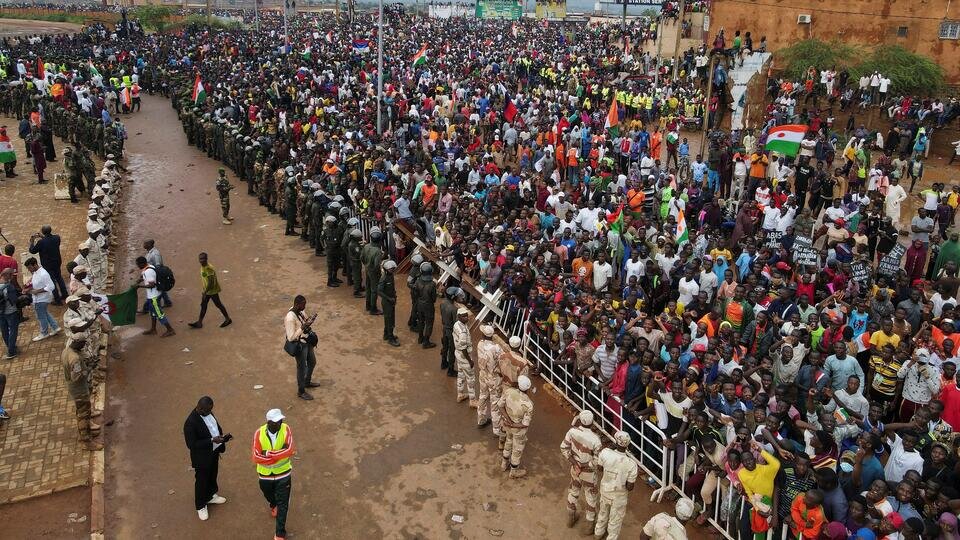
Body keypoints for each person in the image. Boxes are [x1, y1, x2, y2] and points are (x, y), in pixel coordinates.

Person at [183, 396, 229, 521]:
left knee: (213, 474)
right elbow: (191, 445)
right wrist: (211, 440)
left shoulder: (208, 412)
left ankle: (210, 496)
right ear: (200, 408)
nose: (210, 412)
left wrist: (221, 438)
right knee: (201, 481)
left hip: (214, 451)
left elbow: (215, 426)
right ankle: (200, 505)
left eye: (211, 410)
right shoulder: (190, 423)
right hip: (202, 458)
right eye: (208, 410)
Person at [252, 408, 295, 540]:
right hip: (265, 475)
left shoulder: (286, 428)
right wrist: (279, 453)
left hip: (284, 474)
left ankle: (279, 533)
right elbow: (255, 457)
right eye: (277, 421)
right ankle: (272, 504)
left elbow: (290, 450)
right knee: (269, 494)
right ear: (269, 422)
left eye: (281, 420)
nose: (280, 423)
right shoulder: (259, 433)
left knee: (283, 504)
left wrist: (268, 453)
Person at [561, 410, 602, 533]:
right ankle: (590, 525)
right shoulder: (596, 440)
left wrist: (575, 464)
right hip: (588, 473)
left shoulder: (572, 432)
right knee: (591, 497)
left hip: (575, 470)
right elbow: (596, 461)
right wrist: (583, 465)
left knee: (573, 491)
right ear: (592, 423)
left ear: (580, 420)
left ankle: (571, 518)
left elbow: (563, 448)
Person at [595, 431, 638, 540]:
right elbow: (630, 487)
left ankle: (598, 533)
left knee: (603, 513)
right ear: (628, 445)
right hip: (619, 497)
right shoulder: (632, 464)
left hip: (605, 491)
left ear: (616, 441)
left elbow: (599, 469)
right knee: (615, 521)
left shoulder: (605, 452)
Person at [62, 334, 101, 451]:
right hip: (79, 389)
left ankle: (86, 432)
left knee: (81, 411)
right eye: (83, 342)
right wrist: (89, 368)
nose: (84, 344)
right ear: (77, 342)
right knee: (83, 414)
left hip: (74, 387)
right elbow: (77, 377)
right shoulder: (75, 359)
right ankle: (86, 441)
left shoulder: (66, 351)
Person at [284, 295, 319, 400]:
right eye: (303, 304)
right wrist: (303, 328)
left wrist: (309, 321)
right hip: (299, 345)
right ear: (296, 304)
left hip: (307, 342)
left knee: (312, 362)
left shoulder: (301, 311)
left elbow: (304, 322)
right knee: (302, 368)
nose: (305, 306)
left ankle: (307, 382)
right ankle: (301, 391)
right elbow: (290, 337)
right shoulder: (290, 318)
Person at [500, 374, 534, 478]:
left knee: (508, 442)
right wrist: (514, 424)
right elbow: (524, 424)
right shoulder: (529, 404)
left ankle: (504, 464)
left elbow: (500, 406)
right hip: (518, 430)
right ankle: (514, 471)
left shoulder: (509, 392)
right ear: (527, 389)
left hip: (507, 425)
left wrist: (508, 421)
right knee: (517, 449)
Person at [187, 252, 231, 329]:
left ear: (206, 259)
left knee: (218, 304)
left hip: (212, 291)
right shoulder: (203, 267)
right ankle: (199, 322)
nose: (201, 260)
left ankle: (228, 319)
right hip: (207, 290)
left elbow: (210, 283)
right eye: (200, 259)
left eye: (203, 259)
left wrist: (205, 292)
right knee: (204, 305)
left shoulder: (208, 269)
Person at [135, 256, 175, 338]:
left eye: (138, 264)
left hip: (154, 297)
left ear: (142, 264)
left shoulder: (147, 272)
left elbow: (152, 285)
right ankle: (153, 329)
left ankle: (170, 330)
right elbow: (150, 277)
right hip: (156, 294)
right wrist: (141, 279)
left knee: (159, 313)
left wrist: (139, 286)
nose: (137, 266)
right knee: (153, 312)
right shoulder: (150, 267)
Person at [476, 323, 505, 434]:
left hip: (483, 374)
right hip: (494, 377)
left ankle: (481, 419)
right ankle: (496, 429)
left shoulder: (480, 344)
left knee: (482, 396)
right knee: (495, 402)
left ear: (484, 335)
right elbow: (502, 361)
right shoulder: (496, 348)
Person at [23, 257, 60, 341]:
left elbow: (51, 286)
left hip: (41, 299)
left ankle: (44, 333)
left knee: (40, 316)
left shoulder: (43, 274)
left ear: (35, 265)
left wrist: (37, 291)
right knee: (45, 313)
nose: (29, 270)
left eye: (29, 267)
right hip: (41, 298)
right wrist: (29, 286)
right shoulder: (37, 272)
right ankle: (55, 327)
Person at [28, 226, 67, 303]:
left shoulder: (41, 242)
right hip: (57, 262)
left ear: (42, 232)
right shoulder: (57, 237)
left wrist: (32, 241)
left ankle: (57, 300)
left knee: (51, 281)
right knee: (59, 277)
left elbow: (32, 251)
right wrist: (43, 237)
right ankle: (65, 294)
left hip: (48, 264)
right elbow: (49, 241)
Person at [452, 307, 476, 405]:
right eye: (464, 316)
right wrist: (470, 361)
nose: (466, 318)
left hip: (458, 355)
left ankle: (460, 394)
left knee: (461, 375)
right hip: (464, 357)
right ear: (458, 317)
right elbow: (463, 348)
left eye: (467, 316)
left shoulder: (457, 324)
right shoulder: (463, 332)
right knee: (471, 379)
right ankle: (473, 400)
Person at [377, 260, 400, 346]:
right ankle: (390, 338)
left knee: (391, 319)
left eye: (393, 268)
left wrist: (394, 297)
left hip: (391, 301)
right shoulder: (384, 278)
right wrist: (389, 298)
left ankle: (386, 334)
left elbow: (392, 288)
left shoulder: (391, 276)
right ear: (386, 269)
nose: (392, 270)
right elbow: (379, 291)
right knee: (389, 320)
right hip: (387, 303)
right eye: (391, 269)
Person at [142, 240, 171, 307]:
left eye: (145, 243)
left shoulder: (155, 254)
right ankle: (167, 302)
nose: (144, 245)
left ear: (149, 245)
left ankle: (146, 308)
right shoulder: (149, 253)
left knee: (152, 291)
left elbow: (158, 266)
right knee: (160, 288)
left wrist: (154, 276)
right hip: (153, 274)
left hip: (155, 275)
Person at [0, 268, 20, 359]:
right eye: (12, 275)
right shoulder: (9, 286)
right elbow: (14, 300)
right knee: (13, 330)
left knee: (4, 330)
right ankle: (11, 351)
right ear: (8, 276)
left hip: (1, 312)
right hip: (11, 311)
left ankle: (10, 347)